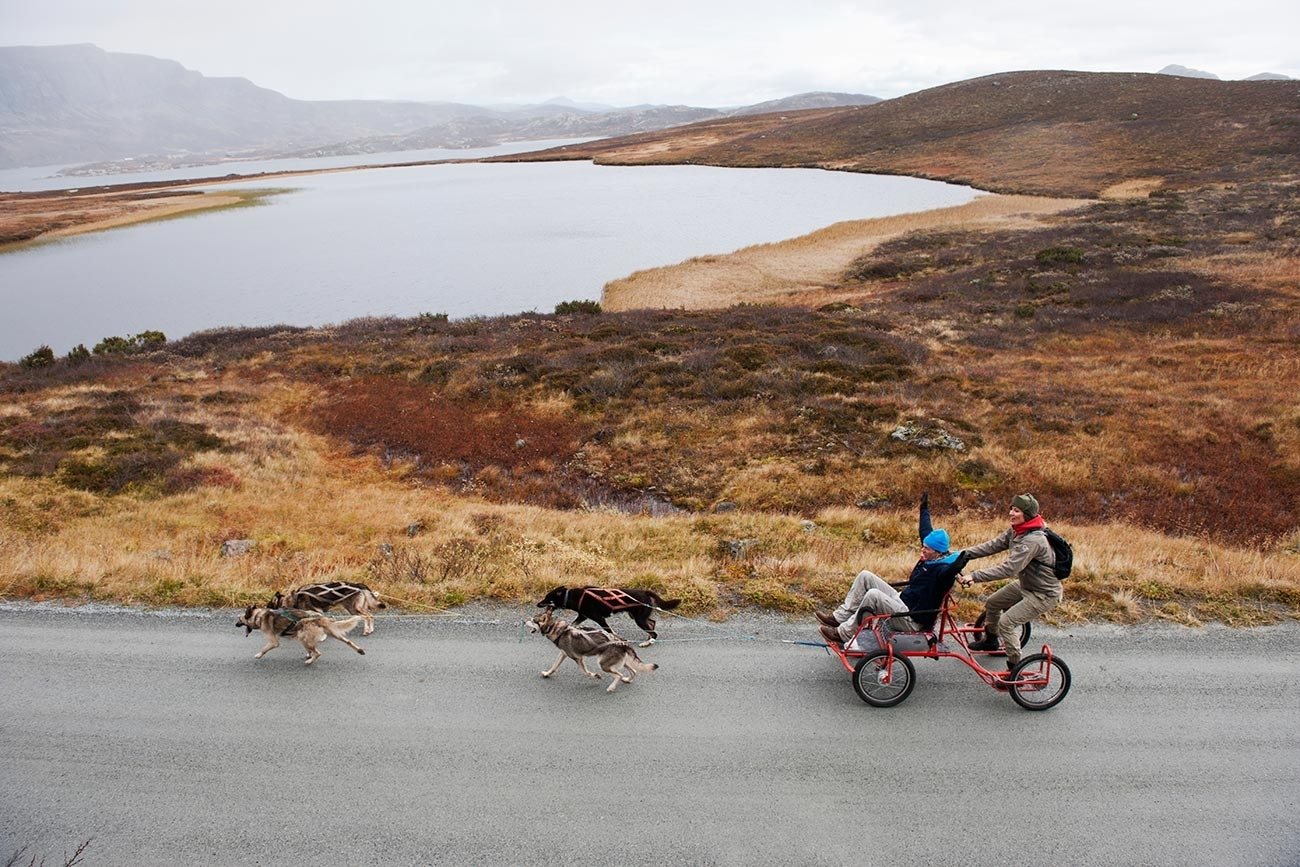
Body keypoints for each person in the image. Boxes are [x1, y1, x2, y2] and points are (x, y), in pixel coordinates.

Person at [816, 493, 963, 646]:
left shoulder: (943, 570)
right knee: (865, 576)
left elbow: (946, 575)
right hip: (902, 602)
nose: (922, 550)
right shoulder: (932, 556)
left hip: (912, 618)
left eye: (926, 548)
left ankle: (843, 634)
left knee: (873, 595)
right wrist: (924, 509)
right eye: (923, 546)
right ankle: (838, 618)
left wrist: (955, 568)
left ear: (938, 552)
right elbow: (925, 531)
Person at [958, 493, 1062, 680]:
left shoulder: (1032, 540)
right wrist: (963, 554)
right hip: (1026, 584)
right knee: (993, 603)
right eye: (1012, 508)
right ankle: (990, 641)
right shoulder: (1017, 530)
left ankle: (1015, 668)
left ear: (1027, 515)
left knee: (1007, 622)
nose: (1011, 513)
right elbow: (993, 545)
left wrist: (975, 576)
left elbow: (1010, 569)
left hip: (1043, 594)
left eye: (1016, 510)